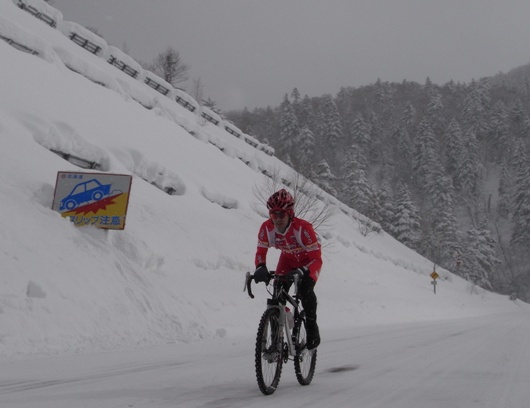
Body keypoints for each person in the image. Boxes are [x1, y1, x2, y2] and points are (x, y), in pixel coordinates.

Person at [253, 189, 322, 350]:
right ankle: (276, 342)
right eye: (273, 214)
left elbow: (316, 258)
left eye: (281, 215)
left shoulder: (303, 228)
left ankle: (312, 329)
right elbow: (260, 252)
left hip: (309, 260)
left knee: (305, 290)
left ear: (290, 214)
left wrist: (304, 271)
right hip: (288, 260)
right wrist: (260, 267)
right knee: (277, 293)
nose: (277, 219)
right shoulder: (266, 228)